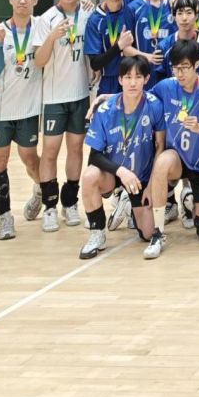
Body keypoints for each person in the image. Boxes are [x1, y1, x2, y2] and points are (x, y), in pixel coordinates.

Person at [78, 57, 164, 259]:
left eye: (138, 77)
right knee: (89, 176)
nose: (133, 82)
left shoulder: (154, 105)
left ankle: (127, 204)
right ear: (120, 79)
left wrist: (152, 184)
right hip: (114, 172)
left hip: (141, 176)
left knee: (148, 233)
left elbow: (160, 146)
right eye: (128, 77)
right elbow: (94, 156)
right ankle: (97, 234)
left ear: (146, 79)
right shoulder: (105, 110)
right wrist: (121, 172)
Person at [33, 0, 95, 232]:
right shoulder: (46, 19)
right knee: (50, 151)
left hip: (80, 95)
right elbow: (39, 60)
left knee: (76, 149)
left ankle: (69, 203)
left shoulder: (89, 14)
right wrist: (51, 38)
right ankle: (49, 206)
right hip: (54, 97)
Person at [143, 40, 199, 258]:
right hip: (178, 159)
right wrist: (108, 98)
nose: (180, 73)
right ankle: (158, 233)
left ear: (197, 64)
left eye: (185, 67)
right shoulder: (166, 86)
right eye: (175, 67)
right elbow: (138, 98)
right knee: (162, 163)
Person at [0, 0, 45, 241]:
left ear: (35, 1)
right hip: (1, 109)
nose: (22, 1)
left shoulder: (41, 26)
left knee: (30, 157)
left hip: (29, 107)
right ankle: (5, 217)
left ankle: (41, 191)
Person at [85, 0, 137, 95]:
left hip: (134, 77)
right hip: (109, 81)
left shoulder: (132, 0)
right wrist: (119, 46)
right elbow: (95, 63)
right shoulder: (94, 20)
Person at [127, 0, 173, 88]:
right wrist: (148, 57)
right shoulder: (133, 8)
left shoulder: (173, 6)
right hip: (142, 74)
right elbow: (125, 49)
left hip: (168, 75)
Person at [158, 0, 199, 80]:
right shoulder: (164, 46)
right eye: (180, 13)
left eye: (189, 13)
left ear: (196, 16)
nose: (184, 18)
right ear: (174, 17)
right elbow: (161, 81)